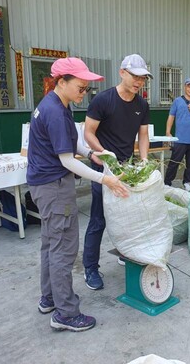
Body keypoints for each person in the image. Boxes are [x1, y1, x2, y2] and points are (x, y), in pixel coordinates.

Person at [27, 57, 129, 332]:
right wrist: (104, 178)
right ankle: (66, 314)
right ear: (62, 82)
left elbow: (71, 145)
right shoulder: (56, 112)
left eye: (87, 88)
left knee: (50, 243)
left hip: (43, 185)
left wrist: (92, 153)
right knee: (64, 249)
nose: (84, 93)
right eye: (81, 87)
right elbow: (66, 160)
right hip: (54, 187)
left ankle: (50, 297)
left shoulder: (54, 103)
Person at [82, 54, 152, 290]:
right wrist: (105, 156)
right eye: (135, 76)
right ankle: (90, 268)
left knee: (129, 215)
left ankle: (126, 253)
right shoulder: (103, 100)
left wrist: (143, 161)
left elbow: (143, 135)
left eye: (142, 78)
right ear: (122, 72)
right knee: (99, 219)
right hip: (104, 169)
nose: (139, 82)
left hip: (128, 168)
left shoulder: (142, 104)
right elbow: (88, 133)